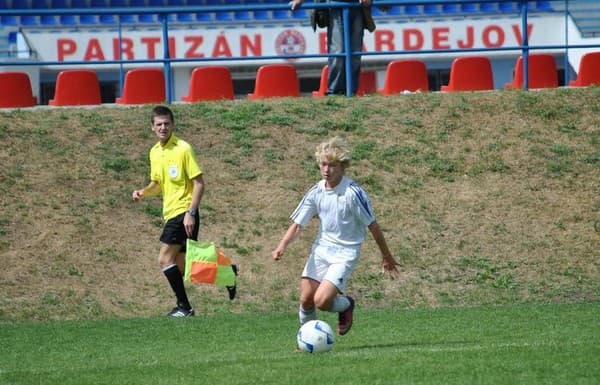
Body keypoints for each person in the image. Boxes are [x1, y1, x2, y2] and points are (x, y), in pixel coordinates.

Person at [272, 137, 399, 336]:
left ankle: (346, 305)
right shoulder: (316, 191)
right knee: (306, 298)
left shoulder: (353, 193)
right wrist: (282, 246)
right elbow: (298, 224)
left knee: (321, 301)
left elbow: (373, 226)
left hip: (345, 252)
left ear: (342, 167)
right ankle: (306, 340)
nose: (326, 170)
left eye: (332, 165)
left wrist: (386, 256)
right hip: (322, 249)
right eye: (323, 164)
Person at [132, 105, 205, 318]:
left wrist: (191, 212)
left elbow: (199, 183)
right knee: (182, 266)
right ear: (152, 127)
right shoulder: (155, 152)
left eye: (166, 123)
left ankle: (184, 307)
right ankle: (228, 272)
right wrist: (143, 192)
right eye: (159, 124)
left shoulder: (183, 148)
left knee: (164, 260)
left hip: (183, 213)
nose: (163, 127)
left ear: (173, 125)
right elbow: (157, 184)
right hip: (171, 213)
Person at [291, 0, 374, 95]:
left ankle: (351, 90)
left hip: (358, 7)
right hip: (335, 6)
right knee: (338, 51)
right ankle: (334, 91)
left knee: (355, 53)